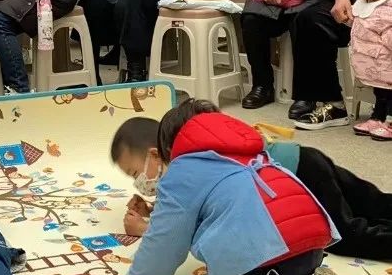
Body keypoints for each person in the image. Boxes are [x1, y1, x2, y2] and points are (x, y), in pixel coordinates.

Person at [110, 101, 392, 260]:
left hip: (296, 177)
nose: (138, 183)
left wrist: (146, 228)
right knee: (371, 202)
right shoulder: (195, 146)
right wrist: (154, 210)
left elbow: (188, 227)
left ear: (156, 154)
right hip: (303, 157)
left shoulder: (183, 170)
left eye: (135, 173)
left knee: (345, 236)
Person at [124, 102, 343, 275]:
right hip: (310, 250)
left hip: (262, 256)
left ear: (170, 151)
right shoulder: (255, 152)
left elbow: (166, 241)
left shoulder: (183, 169)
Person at [348, 0, 392, 140]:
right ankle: (377, 117)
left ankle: (390, 121)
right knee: (380, 92)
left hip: (387, 60)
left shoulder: (389, 8)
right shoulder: (364, 3)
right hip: (373, 63)